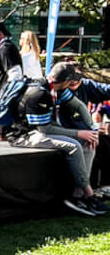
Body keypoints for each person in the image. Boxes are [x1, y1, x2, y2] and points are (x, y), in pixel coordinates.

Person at [6, 77, 106, 216]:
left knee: (87, 142)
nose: (74, 86)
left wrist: (91, 129)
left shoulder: (57, 88)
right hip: (23, 135)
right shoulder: (39, 93)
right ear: (65, 81)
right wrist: (78, 133)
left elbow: (79, 106)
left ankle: (78, 194)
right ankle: (89, 193)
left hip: (40, 130)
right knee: (74, 146)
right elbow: (45, 129)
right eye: (72, 83)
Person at [0, 21, 23, 110]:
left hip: (4, 100)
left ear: (0, 34)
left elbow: (15, 75)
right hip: (0, 97)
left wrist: (6, 98)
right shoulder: (2, 48)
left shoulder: (6, 49)